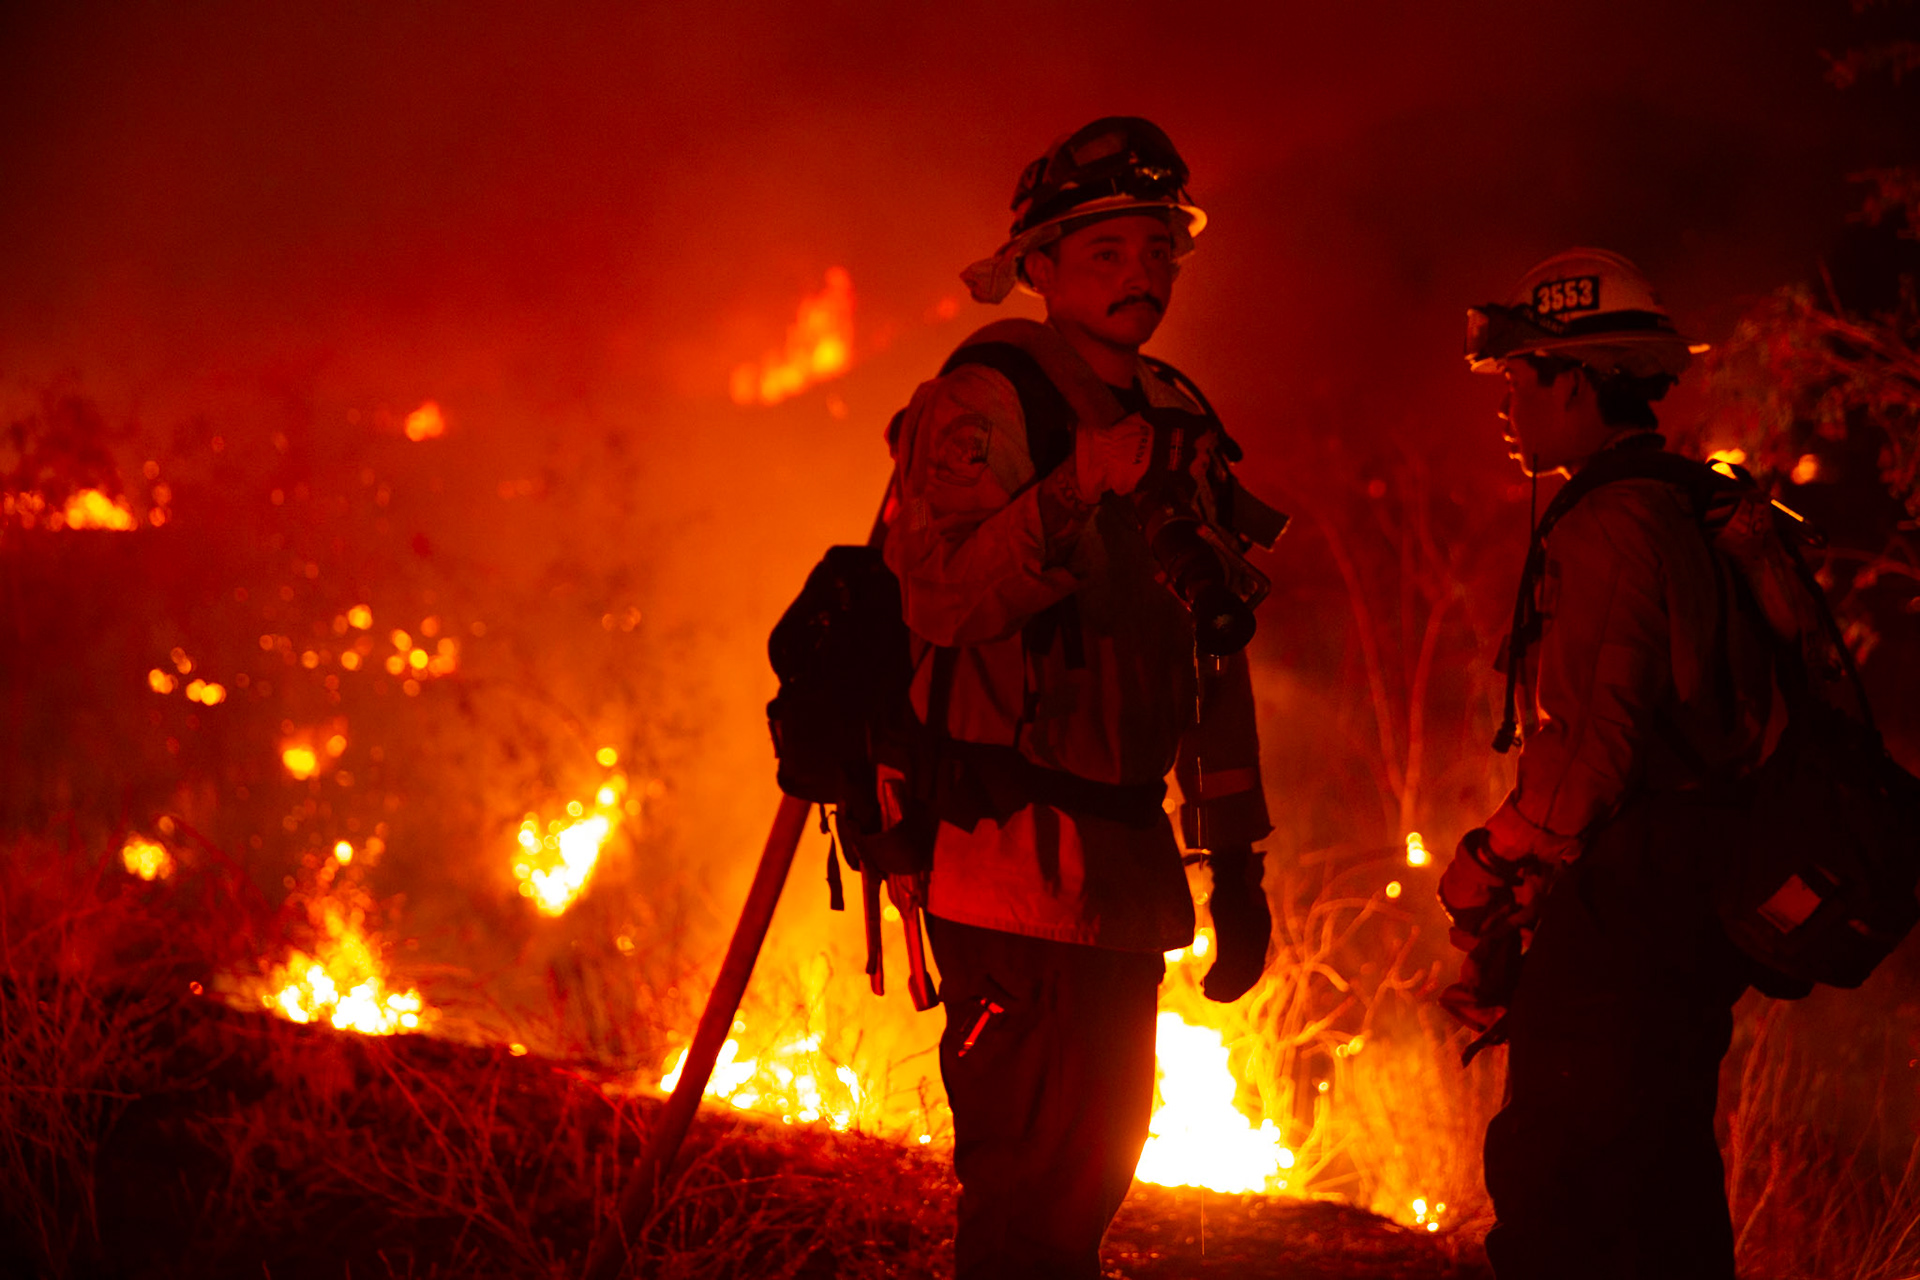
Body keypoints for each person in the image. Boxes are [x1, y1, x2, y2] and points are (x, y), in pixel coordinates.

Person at [882, 117, 1276, 1279]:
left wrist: (1239, 861)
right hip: (1005, 860)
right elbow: (938, 599)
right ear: (1038, 265)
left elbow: (1215, 651)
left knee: (1092, 1181)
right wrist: (1073, 491)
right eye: (1106, 251)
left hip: (1125, 875)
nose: (1141, 275)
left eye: (1158, 250)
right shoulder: (987, 398)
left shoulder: (1180, 419)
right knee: (1022, 1193)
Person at [1439, 248, 1781, 1278]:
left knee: (1562, 1189)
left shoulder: (1609, 519)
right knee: (1663, 1188)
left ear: (1576, 380)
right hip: (1690, 901)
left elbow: (1593, 745)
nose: (1506, 406)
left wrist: (1493, 864)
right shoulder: (1688, 506)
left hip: (1627, 911)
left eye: (1519, 379)